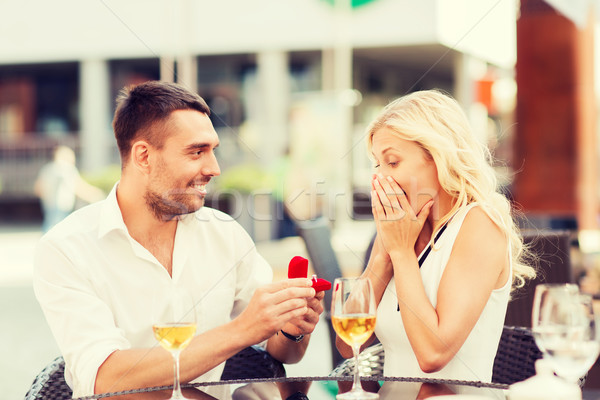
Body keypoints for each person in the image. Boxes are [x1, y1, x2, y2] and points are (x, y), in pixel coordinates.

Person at [33, 81, 324, 399]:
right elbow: (105, 377)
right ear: (143, 157)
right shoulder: (66, 249)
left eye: (213, 151)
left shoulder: (223, 234)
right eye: (197, 152)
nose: (214, 169)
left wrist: (291, 328)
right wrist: (243, 330)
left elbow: (282, 353)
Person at [336, 90, 536, 383]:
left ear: (438, 157)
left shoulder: (479, 224)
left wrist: (402, 254)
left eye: (392, 162)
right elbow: (348, 343)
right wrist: (383, 256)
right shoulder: (399, 229)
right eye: (376, 164)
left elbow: (433, 355)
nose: (379, 178)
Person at [34, 145, 104, 232]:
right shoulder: (67, 168)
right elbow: (78, 187)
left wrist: (48, 197)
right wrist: (94, 194)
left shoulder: (47, 169)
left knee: (51, 226)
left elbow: (38, 188)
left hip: (49, 205)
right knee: (56, 228)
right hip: (62, 205)